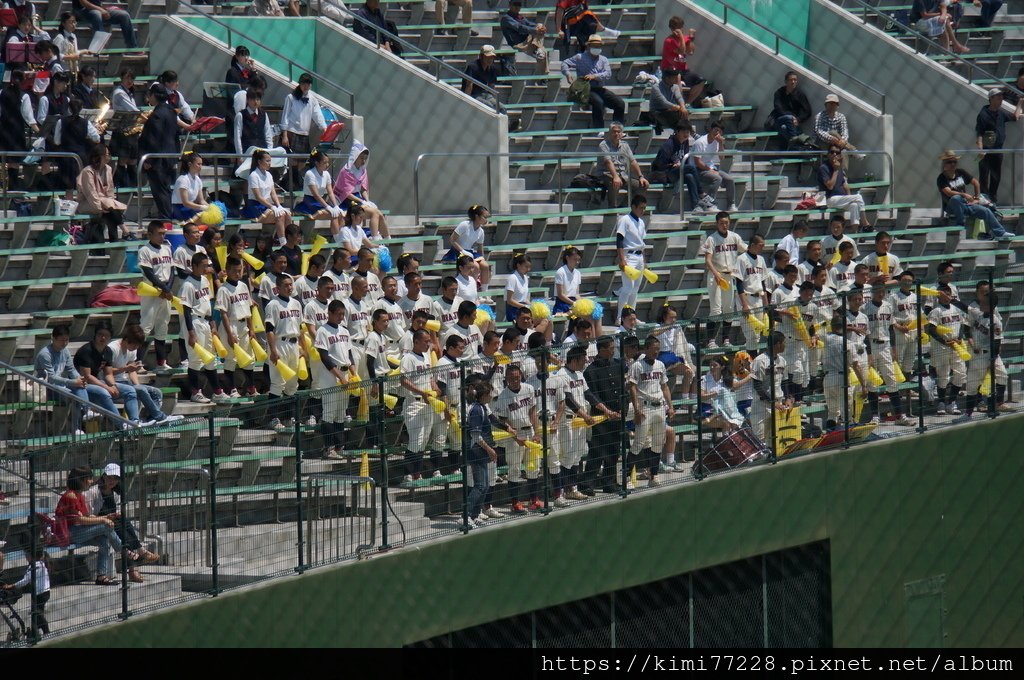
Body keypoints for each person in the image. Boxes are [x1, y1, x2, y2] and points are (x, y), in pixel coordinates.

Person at [82, 463, 160, 583]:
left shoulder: (116, 493)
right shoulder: (93, 492)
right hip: (96, 524)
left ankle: (136, 560)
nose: (112, 481)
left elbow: (118, 510)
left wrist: (114, 515)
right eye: (109, 477)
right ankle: (138, 558)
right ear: (103, 476)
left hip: (111, 524)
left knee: (123, 523)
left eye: (115, 478)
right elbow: (88, 515)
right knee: (121, 529)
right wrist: (106, 517)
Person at [57, 466, 131, 586]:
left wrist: (106, 517)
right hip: (70, 533)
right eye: (89, 478)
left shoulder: (79, 495)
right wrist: (103, 520)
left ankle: (101, 576)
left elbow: (88, 516)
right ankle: (122, 550)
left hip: (79, 531)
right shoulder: (71, 496)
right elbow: (80, 520)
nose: (92, 481)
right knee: (106, 527)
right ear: (81, 480)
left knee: (104, 540)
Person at [109, 324, 183, 426]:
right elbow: (106, 372)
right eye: (134, 345)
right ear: (127, 340)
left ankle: (152, 420)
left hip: (124, 381)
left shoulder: (132, 350)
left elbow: (132, 371)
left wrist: (137, 384)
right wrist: (126, 369)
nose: (136, 348)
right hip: (111, 383)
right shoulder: (113, 349)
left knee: (156, 392)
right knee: (141, 390)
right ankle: (160, 417)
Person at [493, 363, 543, 512]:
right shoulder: (503, 396)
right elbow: (502, 420)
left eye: (517, 377)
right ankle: (515, 503)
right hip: (513, 435)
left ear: (520, 375)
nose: (515, 380)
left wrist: (537, 432)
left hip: (529, 431)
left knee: (533, 467)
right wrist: (515, 437)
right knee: (514, 469)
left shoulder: (528, 389)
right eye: (512, 378)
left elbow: (533, 411)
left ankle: (534, 500)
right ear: (506, 379)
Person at [181, 252, 229, 404]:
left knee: (211, 359)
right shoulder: (187, 285)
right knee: (195, 359)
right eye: (203, 265)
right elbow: (186, 310)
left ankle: (217, 391)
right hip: (194, 322)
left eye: (207, 265)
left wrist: (213, 324)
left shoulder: (204, 280)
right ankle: (195, 392)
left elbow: (208, 304)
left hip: (206, 321)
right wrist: (191, 333)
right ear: (194, 266)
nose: (206, 268)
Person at [935, 149, 1015, 239]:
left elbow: (976, 182)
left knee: (986, 211)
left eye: (954, 161)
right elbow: (948, 192)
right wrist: (964, 195)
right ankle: (960, 224)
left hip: (966, 205)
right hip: (952, 207)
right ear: (944, 164)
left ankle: (1000, 232)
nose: (953, 164)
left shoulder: (960, 172)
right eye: (949, 162)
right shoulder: (941, 178)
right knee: (955, 198)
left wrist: (976, 198)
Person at [961, 279, 1013, 416]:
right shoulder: (978, 312)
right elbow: (966, 316)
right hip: (978, 354)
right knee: (972, 385)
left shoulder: (994, 320)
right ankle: (969, 413)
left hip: (990, 355)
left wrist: (992, 360)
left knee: (1000, 377)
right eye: (983, 294)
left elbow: (996, 341)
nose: (984, 298)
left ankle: (994, 406)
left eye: (987, 295)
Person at [628, 336, 674, 489]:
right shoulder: (637, 366)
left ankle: (653, 476)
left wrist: (671, 406)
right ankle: (627, 478)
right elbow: (632, 388)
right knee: (639, 443)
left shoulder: (660, 365)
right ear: (646, 349)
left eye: (658, 349)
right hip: (645, 407)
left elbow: (665, 387)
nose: (656, 352)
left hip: (659, 406)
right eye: (654, 349)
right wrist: (636, 409)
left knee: (657, 444)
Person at [74, 323, 141, 426]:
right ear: (95, 335)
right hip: (82, 384)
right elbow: (87, 376)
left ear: (110, 338)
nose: (103, 337)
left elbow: (108, 373)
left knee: (130, 391)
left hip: (98, 382)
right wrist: (107, 387)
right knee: (104, 392)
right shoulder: (86, 350)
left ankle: (134, 422)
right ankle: (121, 425)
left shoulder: (107, 351)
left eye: (106, 335)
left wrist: (113, 385)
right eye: (100, 334)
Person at [864, 285, 913, 425]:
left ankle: (899, 416)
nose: (880, 293)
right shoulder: (865, 308)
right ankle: (874, 416)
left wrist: (893, 348)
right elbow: (865, 333)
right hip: (872, 345)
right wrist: (868, 353)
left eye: (882, 291)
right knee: (872, 382)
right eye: (878, 291)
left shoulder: (888, 306)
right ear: (872, 293)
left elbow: (891, 328)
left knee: (892, 381)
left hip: (885, 345)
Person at [582, 336, 625, 493]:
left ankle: (609, 482)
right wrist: (607, 411)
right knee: (597, 450)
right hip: (600, 418)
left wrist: (622, 409)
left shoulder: (617, 365)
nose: (613, 351)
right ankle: (587, 483)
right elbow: (592, 395)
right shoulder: (591, 371)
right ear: (601, 350)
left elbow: (622, 389)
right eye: (610, 348)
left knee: (613, 450)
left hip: (617, 415)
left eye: (613, 348)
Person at [399, 329, 444, 481]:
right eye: (425, 341)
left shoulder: (426, 356)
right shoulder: (408, 358)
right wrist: (421, 392)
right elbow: (404, 380)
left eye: (429, 341)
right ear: (416, 342)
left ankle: (416, 473)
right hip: (414, 403)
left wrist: (434, 387)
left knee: (424, 440)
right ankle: (407, 473)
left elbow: (429, 377)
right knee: (415, 440)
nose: (428, 344)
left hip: (427, 403)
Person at [265, 274, 307, 430]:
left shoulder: (296, 303)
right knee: (278, 383)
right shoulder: (273, 304)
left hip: (294, 345)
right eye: (286, 285)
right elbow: (269, 329)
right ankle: (273, 418)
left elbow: (301, 328)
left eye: (291, 285)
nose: (289, 287)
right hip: (279, 344)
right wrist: (273, 350)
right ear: (277, 287)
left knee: (292, 384)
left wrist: (303, 348)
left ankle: (289, 417)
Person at [314, 299, 354, 458]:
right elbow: (325, 357)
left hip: (345, 374)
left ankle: (339, 447)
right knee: (329, 414)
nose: (341, 317)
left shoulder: (344, 331)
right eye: (338, 314)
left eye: (343, 314)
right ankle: (328, 448)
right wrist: (340, 377)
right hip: (330, 376)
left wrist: (353, 373)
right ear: (329, 313)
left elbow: (350, 354)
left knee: (340, 414)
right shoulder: (322, 331)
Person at [701, 211, 747, 348]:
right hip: (715, 275)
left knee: (728, 309)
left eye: (726, 222)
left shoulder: (734, 237)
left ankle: (726, 339)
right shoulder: (712, 239)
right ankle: (711, 341)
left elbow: (746, 250)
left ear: (729, 222)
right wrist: (715, 274)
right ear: (717, 224)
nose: (724, 225)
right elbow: (707, 260)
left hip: (728, 276)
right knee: (715, 310)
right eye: (721, 223)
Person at [34, 325, 91, 435]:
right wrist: (73, 382)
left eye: (67, 340)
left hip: (60, 385)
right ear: (54, 339)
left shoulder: (65, 352)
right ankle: (76, 427)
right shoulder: (45, 354)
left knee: (81, 387)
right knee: (73, 395)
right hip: (46, 387)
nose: (64, 343)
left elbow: (71, 370)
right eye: (61, 340)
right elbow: (51, 377)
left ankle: (85, 413)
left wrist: (79, 379)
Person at [561, 35, 624, 130]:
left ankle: (617, 128)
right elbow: (565, 63)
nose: (597, 48)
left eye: (598, 46)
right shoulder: (580, 57)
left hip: (600, 88)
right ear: (588, 46)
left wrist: (595, 76)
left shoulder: (603, 59)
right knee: (598, 102)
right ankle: (599, 129)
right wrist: (567, 74)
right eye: (594, 46)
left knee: (620, 103)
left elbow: (608, 73)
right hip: (586, 89)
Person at [217, 256, 259, 398]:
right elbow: (223, 313)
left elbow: (249, 308)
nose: (237, 273)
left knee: (249, 358)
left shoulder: (243, 286)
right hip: (231, 325)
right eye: (234, 270)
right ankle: (231, 389)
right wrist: (229, 334)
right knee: (230, 359)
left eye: (240, 270)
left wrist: (251, 328)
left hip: (244, 326)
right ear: (227, 271)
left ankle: (251, 388)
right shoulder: (223, 289)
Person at [975, 88, 1023, 205]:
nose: (1001, 99)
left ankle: (993, 199)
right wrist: (980, 149)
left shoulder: (1001, 113)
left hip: (998, 150)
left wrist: (1020, 103)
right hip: (986, 151)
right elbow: (979, 133)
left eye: (1002, 97)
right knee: (984, 177)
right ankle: (984, 199)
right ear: (991, 99)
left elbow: (1015, 117)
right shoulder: (983, 114)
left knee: (996, 177)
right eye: (998, 97)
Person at [139, 84, 180, 219]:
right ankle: (167, 217)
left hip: (158, 159)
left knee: (160, 191)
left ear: (154, 95)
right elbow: (175, 135)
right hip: (170, 156)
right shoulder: (171, 111)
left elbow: (154, 139)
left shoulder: (157, 114)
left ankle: (166, 219)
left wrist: (148, 159)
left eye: (150, 95)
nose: (148, 98)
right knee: (166, 189)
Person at [138, 221, 175, 372]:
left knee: (162, 327)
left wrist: (168, 288)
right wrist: (165, 288)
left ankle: (161, 362)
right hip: (151, 291)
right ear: (150, 234)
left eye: (163, 233)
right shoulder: (145, 250)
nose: (162, 236)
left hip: (165, 293)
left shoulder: (167, 248)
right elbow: (148, 273)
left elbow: (172, 271)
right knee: (145, 327)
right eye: (159, 233)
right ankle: (137, 362)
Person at [280, 72, 327, 190]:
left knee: (301, 162)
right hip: (292, 132)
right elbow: (285, 116)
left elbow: (317, 114)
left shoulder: (312, 99)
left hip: (304, 134)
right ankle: (293, 185)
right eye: (303, 83)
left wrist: (324, 127)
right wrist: (285, 135)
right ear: (299, 84)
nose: (306, 86)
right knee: (293, 161)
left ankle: (287, 182)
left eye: (308, 84)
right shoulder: (291, 97)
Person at [333, 141, 390, 239]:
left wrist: (367, 201)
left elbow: (363, 189)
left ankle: (387, 239)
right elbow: (346, 193)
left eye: (365, 158)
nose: (363, 161)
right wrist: (362, 201)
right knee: (374, 213)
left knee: (379, 213)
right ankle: (376, 239)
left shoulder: (363, 170)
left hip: (358, 199)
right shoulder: (346, 171)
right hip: (346, 201)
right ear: (355, 156)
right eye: (361, 158)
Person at [927, 286, 967, 415]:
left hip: (956, 346)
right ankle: (941, 403)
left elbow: (962, 325)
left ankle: (952, 402)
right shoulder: (936, 311)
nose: (946, 296)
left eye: (948, 294)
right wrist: (945, 342)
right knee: (943, 376)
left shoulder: (956, 309)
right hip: (942, 346)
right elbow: (931, 330)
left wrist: (960, 338)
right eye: (943, 294)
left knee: (961, 374)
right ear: (938, 296)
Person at [76, 144, 126, 244]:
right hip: (88, 203)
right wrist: (101, 208)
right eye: (107, 154)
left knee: (110, 212)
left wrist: (108, 204)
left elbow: (110, 191)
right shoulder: (87, 171)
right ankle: (125, 231)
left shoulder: (108, 169)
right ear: (100, 156)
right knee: (110, 209)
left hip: (105, 203)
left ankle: (114, 242)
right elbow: (91, 194)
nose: (109, 156)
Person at [592, 122, 649, 209]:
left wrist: (641, 176)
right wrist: (615, 176)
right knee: (614, 182)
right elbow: (608, 162)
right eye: (614, 132)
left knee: (642, 186)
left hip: (622, 175)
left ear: (622, 134)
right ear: (610, 133)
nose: (616, 134)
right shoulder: (603, 145)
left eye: (618, 132)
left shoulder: (625, 145)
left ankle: (623, 207)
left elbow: (633, 161)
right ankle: (612, 208)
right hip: (605, 174)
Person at [465, 381, 498, 527]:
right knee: (479, 485)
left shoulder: (483, 407)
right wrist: (489, 449)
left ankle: (474, 514)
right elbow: (475, 436)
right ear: (484, 395)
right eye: (490, 393)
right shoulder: (477, 410)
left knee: (484, 486)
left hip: (481, 453)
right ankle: (465, 516)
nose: (491, 396)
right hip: (476, 453)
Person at [243, 149, 292, 245]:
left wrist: (278, 206)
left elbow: (273, 193)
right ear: (259, 162)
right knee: (280, 216)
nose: (270, 163)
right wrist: (272, 207)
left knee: (286, 214)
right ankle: (283, 242)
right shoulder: (254, 175)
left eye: (270, 161)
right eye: (267, 161)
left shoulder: (269, 174)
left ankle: (289, 238)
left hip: (266, 205)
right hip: (255, 206)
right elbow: (258, 197)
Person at [651, 122, 702, 210]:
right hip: (666, 173)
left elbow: (685, 161)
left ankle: (696, 205)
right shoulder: (668, 145)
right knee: (691, 168)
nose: (686, 134)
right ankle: (701, 193)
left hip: (679, 171)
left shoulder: (685, 142)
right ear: (677, 132)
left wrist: (680, 164)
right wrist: (673, 165)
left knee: (689, 176)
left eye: (688, 132)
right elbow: (660, 165)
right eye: (684, 132)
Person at [750, 331, 790, 444]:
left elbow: (785, 381)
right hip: (761, 406)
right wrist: (772, 402)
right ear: (778, 344)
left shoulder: (782, 360)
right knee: (759, 439)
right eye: (783, 343)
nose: (785, 345)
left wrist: (787, 398)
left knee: (774, 440)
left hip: (778, 404)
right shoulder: (759, 360)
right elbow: (757, 386)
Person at [2, 546, 50, 638]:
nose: (25, 557)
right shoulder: (41, 563)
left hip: (41, 593)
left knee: (37, 613)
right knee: (37, 612)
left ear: (31, 556)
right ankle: (37, 631)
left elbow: (25, 580)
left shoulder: (34, 566)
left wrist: (11, 585)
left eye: (26, 555)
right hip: (45, 592)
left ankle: (46, 631)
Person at [691, 121, 737, 213]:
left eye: (720, 132)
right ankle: (710, 204)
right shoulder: (700, 142)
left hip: (710, 167)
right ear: (711, 129)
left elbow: (721, 157)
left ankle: (731, 204)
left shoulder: (717, 141)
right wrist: (710, 170)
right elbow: (697, 162)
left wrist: (720, 143)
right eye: (716, 130)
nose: (717, 133)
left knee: (730, 179)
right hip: (698, 170)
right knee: (717, 178)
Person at [615, 194, 648, 321]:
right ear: (633, 207)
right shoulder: (625, 219)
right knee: (627, 287)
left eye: (644, 208)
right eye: (641, 208)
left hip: (639, 256)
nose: (643, 211)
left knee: (635, 289)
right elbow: (619, 240)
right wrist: (622, 259)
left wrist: (644, 260)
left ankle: (631, 316)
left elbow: (641, 242)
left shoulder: (641, 222)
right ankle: (620, 317)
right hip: (629, 256)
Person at [660, 16, 705, 105]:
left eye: (679, 27)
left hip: (683, 69)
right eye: (674, 27)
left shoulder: (684, 38)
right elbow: (681, 51)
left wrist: (691, 38)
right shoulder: (669, 41)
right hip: (669, 69)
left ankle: (687, 103)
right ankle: (680, 104)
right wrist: (681, 36)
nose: (677, 30)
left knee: (701, 80)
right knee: (678, 76)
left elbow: (690, 51)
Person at [444, 204, 492, 286]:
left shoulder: (481, 231)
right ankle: (473, 289)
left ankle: (484, 293)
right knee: (475, 266)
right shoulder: (464, 225)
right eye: (485, 217)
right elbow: (452, 239)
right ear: (477, 216)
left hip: (470, 252)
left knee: (485, 266)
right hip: (458, 251)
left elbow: (480, 248)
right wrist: (462, 251)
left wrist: (482, 259)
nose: (486, 220)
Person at [737, 233, 770, 351]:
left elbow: (763, 283)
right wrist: (744, 305)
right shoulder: (742, 259)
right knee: (750, 335)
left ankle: (752, 361)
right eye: (761, 245)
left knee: (757, 334)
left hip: (759, 299)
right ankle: (750, 361)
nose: (763, 248)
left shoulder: (761, 259)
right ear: (752, 245)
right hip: (747, 298)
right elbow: (739, 283)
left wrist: (766, 303)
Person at [109, 68, 141, 188]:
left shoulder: (129, 92)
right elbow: (132, 110)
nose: (129, 81)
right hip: (122, 130)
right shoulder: (119, 92)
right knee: (123, 160)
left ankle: (134, 187)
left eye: (131, 78)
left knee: (132, 160)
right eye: (127, 78)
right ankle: (121, 187)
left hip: (131, 129)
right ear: (122, 78)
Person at [462, 44, 508, 118]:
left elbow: (491, 85)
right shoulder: (473, 66)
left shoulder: (492, 68)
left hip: (486, 95)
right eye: (488, 57)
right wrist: (467, 101)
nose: (490, 59)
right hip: (474, 95)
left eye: (492, 57)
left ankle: (507, 126)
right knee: (489, 107)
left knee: (502, 108)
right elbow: (468, 85)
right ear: (481, 56)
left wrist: (494, 99)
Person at [71, 0, 138, 49]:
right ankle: (100, 47)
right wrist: (101, 10)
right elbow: (83, 3)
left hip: (98, 9)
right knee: (96, 14)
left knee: (124, 15)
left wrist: (104, 9)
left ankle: (132, 47)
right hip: (80, 11)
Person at [501, 1, 546, 69]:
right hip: (517, 44)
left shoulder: (519, 17)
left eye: (519, 5)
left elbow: (529, 24)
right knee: (537, 31)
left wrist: (542, 27)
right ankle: (537, 49)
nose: (517, 7)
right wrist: (536, 30)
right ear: (510, 5)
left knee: (544, 53)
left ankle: (543, 76)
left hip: (526, 41)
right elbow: (519, 27)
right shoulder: (506, 18)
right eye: (515, 4)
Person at [771, 71, 812, 142]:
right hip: (779, 119)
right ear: (786, 81)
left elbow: (808, 111)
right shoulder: (779, 93)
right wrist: (791, 117)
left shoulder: (800, 94)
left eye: (795, 80)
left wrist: (798, 119)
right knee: (788, 119)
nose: (793, 82)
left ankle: (792, 143)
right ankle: (796, 139)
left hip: (793, 122)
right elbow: (778, 108)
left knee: (784, 128)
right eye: (791, 80)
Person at [234, 87, 273, 158]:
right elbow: (237, 138)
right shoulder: (240, 115)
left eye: (258, 99)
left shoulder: (264, 114)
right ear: (248, 100)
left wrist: (269, 152)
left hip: (262, 152)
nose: (255, 102)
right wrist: (240, 155)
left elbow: (268, 135)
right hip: (247, 152)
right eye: (253, 99)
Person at [647, 69, 689, 134]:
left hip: (669, 110)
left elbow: (679, 97)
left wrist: (683, 107)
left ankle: (682, 133)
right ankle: (685, 133)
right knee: (677, 116)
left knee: (683, 113)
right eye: (674, 78)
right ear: (667, 78)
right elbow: (664, 102)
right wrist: (677, 107)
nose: (676, 79)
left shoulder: (675, 87)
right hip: (657, 112)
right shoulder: (656, 87)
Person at [170, 151, 208, 223]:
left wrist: (210, 207)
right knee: (203, 217)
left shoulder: (197, 179)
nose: (200, 167)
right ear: (190, 164)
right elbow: (186, 202)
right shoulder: (183, 179)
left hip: (191, 207)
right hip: (180, 208)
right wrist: (201, 207)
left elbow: (201, 200)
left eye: (201, 164)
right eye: (198, 164)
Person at [504, 252, 532, 322]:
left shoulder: (525, 278)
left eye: (529, 267)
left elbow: (524, 299)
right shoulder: (512, 278)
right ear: (518, 265)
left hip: (523, 309)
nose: (528, 269)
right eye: (526, 267)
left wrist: (532, 306)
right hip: (514, 311)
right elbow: (509, 300)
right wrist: (524, 307)